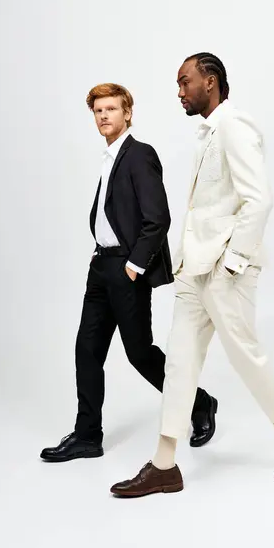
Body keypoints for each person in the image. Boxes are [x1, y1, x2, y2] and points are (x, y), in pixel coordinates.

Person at [110, 54, 274, 496]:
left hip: (223, 270)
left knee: (246, 359)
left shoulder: (235, 126)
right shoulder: (209, 132)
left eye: (184, 83)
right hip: (195, 271)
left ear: (210, 82)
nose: (179, 92)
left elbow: (259, 201)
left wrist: (231, 262)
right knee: (179, 363)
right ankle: (164, 464)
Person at [40, 83, 217, 462]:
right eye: (98, 111)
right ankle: (88, 435)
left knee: (139, 354)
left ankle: (199, 403)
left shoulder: (139, 155)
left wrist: (133, 267)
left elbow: (158, 219)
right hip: (100, 267)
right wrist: (102, 256)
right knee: (86, 351)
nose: (103, 116)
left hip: (126, 270)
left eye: (111, 109)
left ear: (127, 113)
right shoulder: (109, 158)